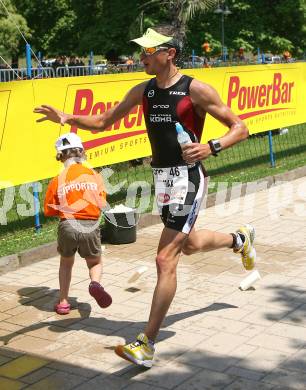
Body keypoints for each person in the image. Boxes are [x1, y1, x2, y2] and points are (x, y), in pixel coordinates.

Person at [34, 27, 256, 367]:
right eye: (142, 52)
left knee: (165, 259)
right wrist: (67, 117)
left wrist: (211, 147)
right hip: (163, 181)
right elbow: (103, 121)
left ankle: (146, 344)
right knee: (191, 243)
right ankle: (239, 239)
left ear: (169, 53)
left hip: (189, 180)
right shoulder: (144, 91)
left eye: (149, 51)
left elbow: (240, 127)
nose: (142, 57)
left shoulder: (195, 89)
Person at [44, 132, 112, 315]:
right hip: (90, 224)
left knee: (66, 263)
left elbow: (49, 210)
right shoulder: (93, 175)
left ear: (60, 156)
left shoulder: (57, 179)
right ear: (82, 152)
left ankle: (64, 302)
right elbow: (101, 202)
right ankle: (95, 284)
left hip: (67, 225)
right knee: (94, 262)